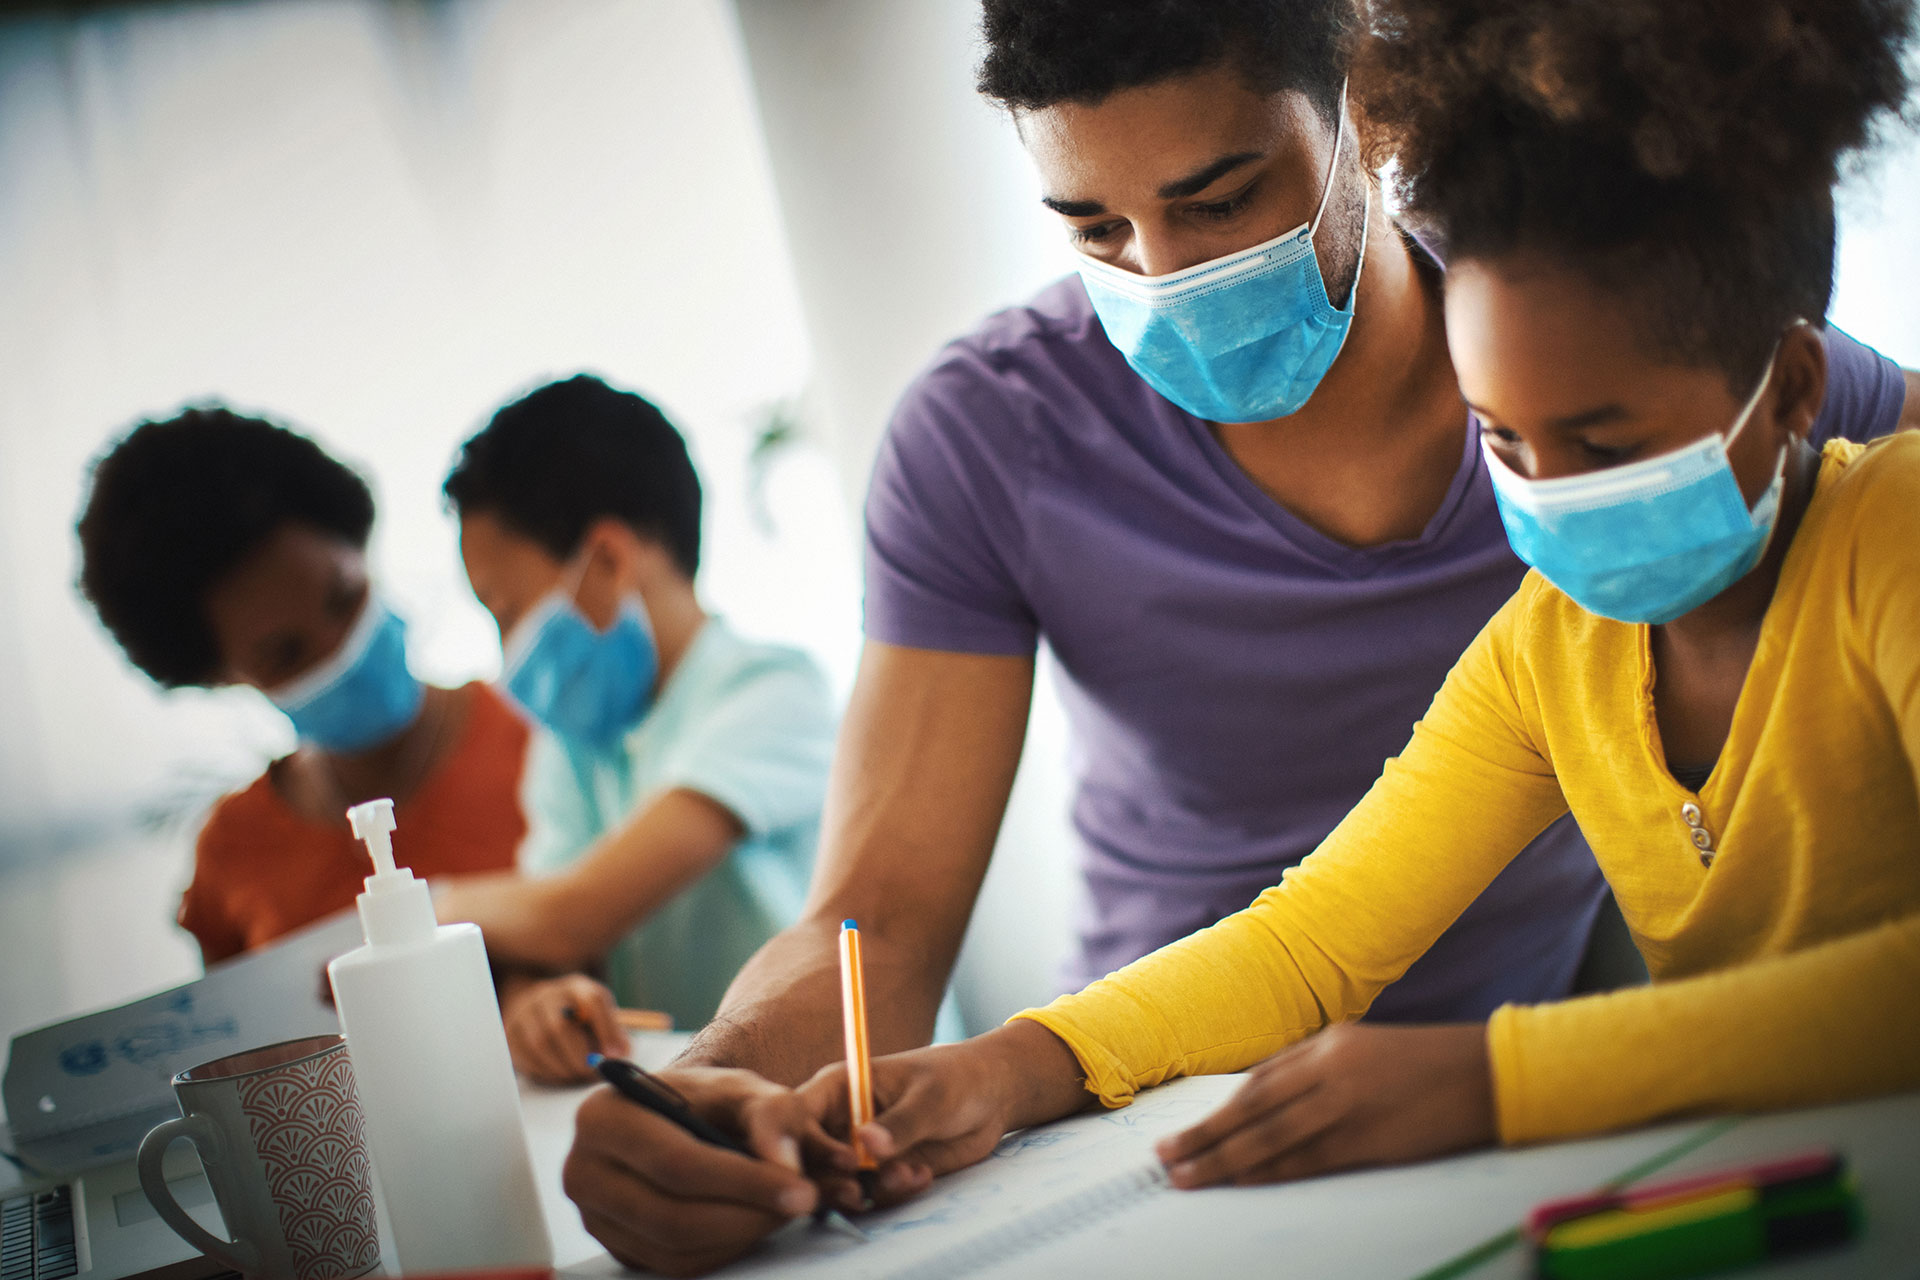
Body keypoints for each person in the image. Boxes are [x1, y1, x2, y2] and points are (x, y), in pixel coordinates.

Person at [557, 1, 1918, 1271]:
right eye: (1095, 229)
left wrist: (1500, 1076)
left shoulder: (1637, 335)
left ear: (1364, 125)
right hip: (1201, 1088)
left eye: (1217, 199)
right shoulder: (1543, 641)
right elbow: (1292, 939)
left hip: (1559, 1105)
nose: (1163, 275)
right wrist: (936, 1073)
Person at [431, 375, 836, 1081]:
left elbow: (575, 912)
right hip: (691, 1091)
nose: (506, 660)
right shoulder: (575, 746)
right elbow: (547, 943)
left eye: (507, 610)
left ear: (611, 559)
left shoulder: (773, 691)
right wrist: (538, 998)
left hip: (832, 1083)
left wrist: (427, 908)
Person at [75, 407, 529, 966]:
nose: (341, 647)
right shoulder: (235, 852)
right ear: (218, 676)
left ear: (360, 547)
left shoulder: (543, 745)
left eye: (344, 597)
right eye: (286, 653)